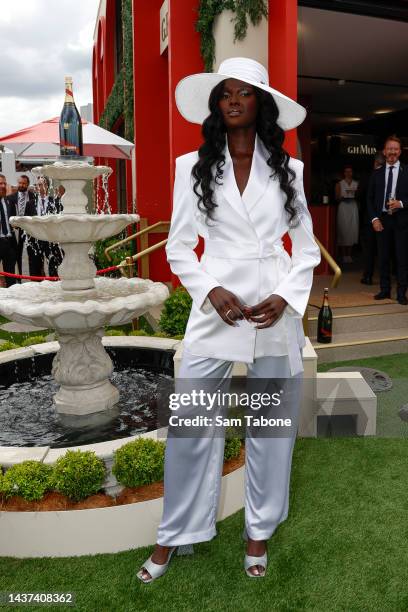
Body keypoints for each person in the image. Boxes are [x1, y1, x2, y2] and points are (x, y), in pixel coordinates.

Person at [137, 57, 321, 583]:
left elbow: (306, 249)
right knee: (193, 425)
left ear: (260, 103)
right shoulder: (189, 166)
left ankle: (257, 532)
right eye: (226, 93)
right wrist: (209, 289)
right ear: (217, 105)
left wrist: (287, 298)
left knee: (269, 428)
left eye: (245, 92)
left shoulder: (292, 171)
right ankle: (177, 533)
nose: (234, 100)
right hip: (215, 311)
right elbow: (178, 248)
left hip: (272, 312)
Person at [368, 135, 408, 305]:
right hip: (382, 220)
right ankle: (384, 290)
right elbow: (369, 199)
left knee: (402, 258)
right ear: (384, 152)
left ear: (400, 152)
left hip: (402, 221)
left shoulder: (407, 171)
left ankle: (401, 293)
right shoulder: (376, 173)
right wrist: (374, 218)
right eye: (389, 148)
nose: (392, 152)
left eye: (395, 149)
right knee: (383, 257)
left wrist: (401, 203)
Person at [357, 152, 385, 285]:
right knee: (384, 248)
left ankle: (368, 276)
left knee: (369, 249)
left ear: (375, 163)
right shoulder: (388, 175)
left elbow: (360, 195)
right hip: (385, 218)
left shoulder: (367, 177)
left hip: (368, 217)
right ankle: (388, 276)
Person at [7, 174, 38, 279]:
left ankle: (34, 278)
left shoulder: (34, 197)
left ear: (28, 185)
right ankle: (19, 279)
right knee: (17, 255)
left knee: (32, 257)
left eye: (24, 183)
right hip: (16, 233)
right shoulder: (10, 198)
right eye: (20, 183)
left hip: (30, 231)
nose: (21, 185)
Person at [35, 176, 63, 276]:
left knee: (52, 263)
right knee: (36, 267)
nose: (38, 187)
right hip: (36, 239)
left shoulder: (54, 202)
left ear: (46, 186)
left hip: (50, 238)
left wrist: (59, 197)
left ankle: (53, 283)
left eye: (40, 185)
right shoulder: (31, 203)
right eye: (37, 185)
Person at [335, 165, 359, 264]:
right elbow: (336, 198)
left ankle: (349, 254)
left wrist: (355, 194)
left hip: (353, 206)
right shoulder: (339, 184)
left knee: (352, 229)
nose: (348, 173)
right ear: (344, 173)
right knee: (343, 229)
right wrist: (343, 197)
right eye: (346, 171)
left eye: (350, 171)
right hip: (343, 207)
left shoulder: (356, 183)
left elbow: (359, 196)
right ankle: (344, 255)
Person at [0, 173, 18, 287]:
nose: (2, 186)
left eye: (4, 183)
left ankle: (11, 301)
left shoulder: (9, 201)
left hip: (9, 242)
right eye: (0, 183)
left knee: (11, 276)